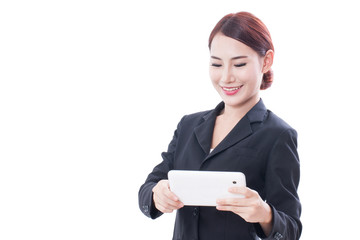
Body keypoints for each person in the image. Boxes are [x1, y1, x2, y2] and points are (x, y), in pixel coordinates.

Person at [138, 12, 301, 240]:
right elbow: (150, 185)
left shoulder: (278, 135)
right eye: (216, 64)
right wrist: (156, 194)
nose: (226, 77)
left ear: (266, 61)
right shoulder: (188, 124)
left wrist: (264, 214)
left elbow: (291, 228)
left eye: (239, 64)